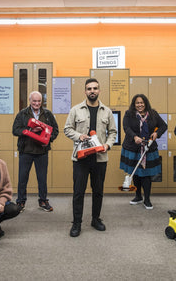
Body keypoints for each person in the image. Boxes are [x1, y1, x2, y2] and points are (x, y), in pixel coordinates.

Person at [64, 78, 117, 237]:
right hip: (81, 159)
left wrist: (107, 145)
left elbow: (113, 132)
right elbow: (67, 129)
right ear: (85, 91)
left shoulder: (106, 111)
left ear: (99, 90)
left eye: (95, 88)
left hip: (100, 159)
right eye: (89, 88)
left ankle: (95, 219)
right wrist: (79, 136)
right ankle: (77, 223)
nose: (92, 91)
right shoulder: (76, 110)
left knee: (98, 191)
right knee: (78, 192)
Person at [12, 91, 59, 212]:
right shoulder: (22, 114)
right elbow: (15, 130)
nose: (37, 103)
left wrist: (49, 139)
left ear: (41, 101)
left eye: (39, 101)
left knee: (42, 178)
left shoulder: (48, 114)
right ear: (30, 101)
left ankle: (43, 201)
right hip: (26, 151)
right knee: (22, 178)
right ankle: (20, 202)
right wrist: (29, 129)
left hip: (41, 152)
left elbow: (55, 130)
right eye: (34, 101)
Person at [120, 94, 167, 209]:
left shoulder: (153, 114)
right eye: (137, 103)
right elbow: (126, 128)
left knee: (146, 175)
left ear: (145, 103)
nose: (140, 105)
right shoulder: (129, 114)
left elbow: (163, 126)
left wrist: (157, 133)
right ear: (134, 104)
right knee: (135, 173)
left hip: (148, 149)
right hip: (132, 148)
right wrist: (135, 137)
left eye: (142, 103)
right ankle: (138, 196)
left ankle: (147, 199)